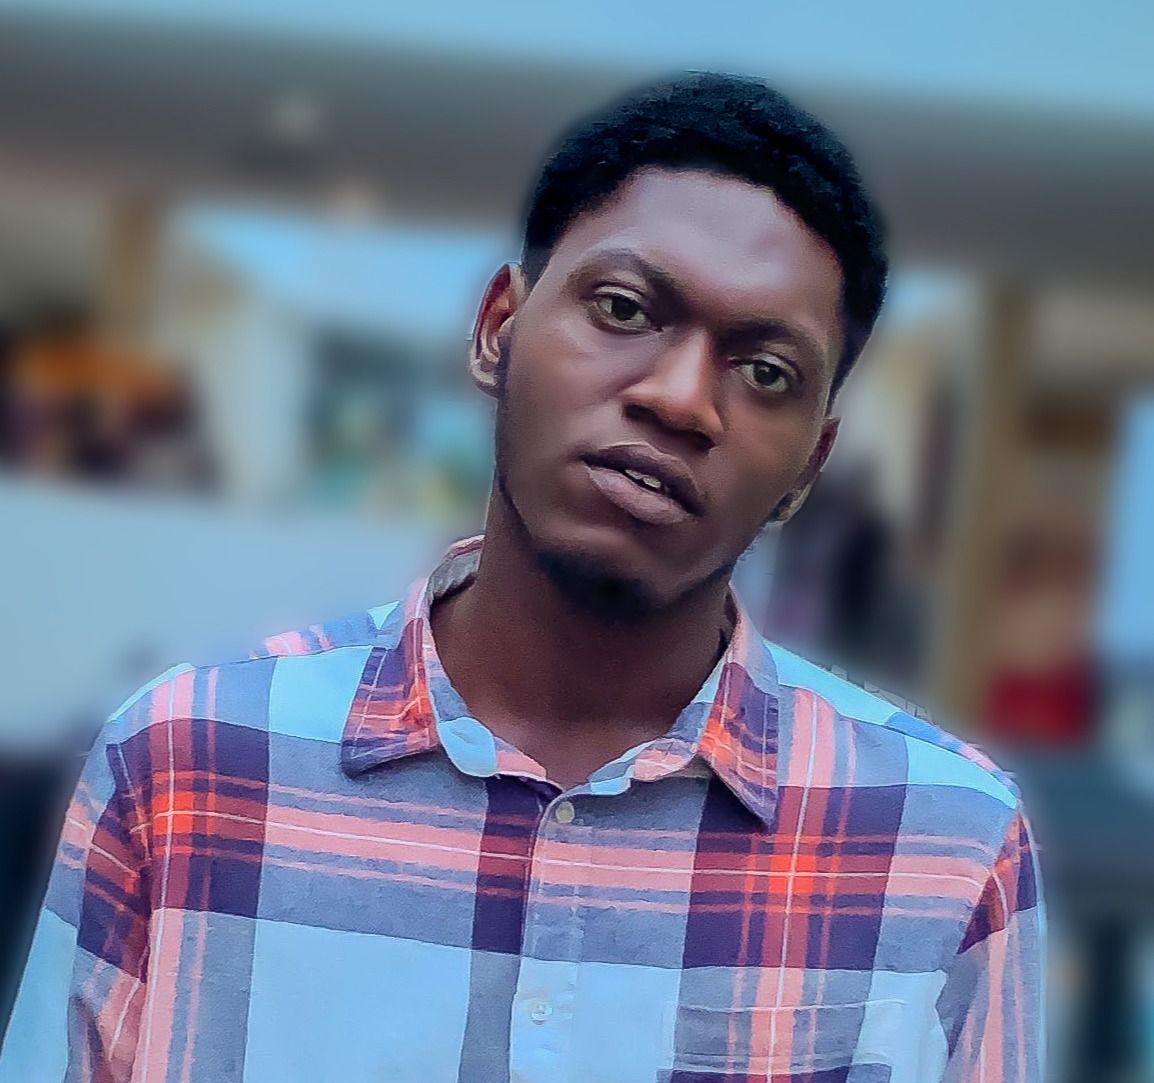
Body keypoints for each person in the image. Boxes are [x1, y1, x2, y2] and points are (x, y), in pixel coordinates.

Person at [0, 73, 1043, 1083]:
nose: (680, 399)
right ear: (498, 326)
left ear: (808, 465)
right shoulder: (185, 766)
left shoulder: (946, 844)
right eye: (624, 309)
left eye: (766, 372)